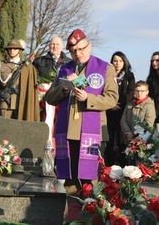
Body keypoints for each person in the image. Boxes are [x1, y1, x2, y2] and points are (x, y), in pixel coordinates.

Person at [44, 29, 118, 195]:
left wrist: (88, 98)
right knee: (70, 180)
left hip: (94, 132)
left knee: (92, 180)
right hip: (68, 131)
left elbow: (112, 98)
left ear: (89, 46)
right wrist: (63, 88)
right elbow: (49, 98)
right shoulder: (64, 70)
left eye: (82, 48)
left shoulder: (105, 68)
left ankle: (92, 216)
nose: (78, 53)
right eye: (74, 51)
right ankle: (73, 215)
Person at [0, 39, 40, 121]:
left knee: (19, 131)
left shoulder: (27, 67)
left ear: (19, 50)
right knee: (4, 130)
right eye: (10, 49)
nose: (12, 51)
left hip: (21, 103)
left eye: (15, 49)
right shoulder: (0, 65)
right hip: (5, 104)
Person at [105, 51, 135, 167]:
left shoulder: (129, 76)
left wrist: (119, 103)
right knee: (109, 141)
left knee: (122, 142)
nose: (117, 63)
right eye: (115, 61)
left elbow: (130, 92)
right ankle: (108, 166)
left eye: (120, 61)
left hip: (122, 111)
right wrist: (111, 104)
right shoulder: (107, 75)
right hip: (109, 111)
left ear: (124, 62)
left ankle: (123, 166)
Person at [120, 80, 156, 164]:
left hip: (143, 143)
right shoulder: (129, 105)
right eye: (137, 91)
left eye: (142, 91)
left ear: (147, 92)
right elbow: (123, 120)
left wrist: (134, 133)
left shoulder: (149, 106)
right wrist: (127, 132)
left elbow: (148, 123)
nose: (139, 93)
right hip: (129, 141)